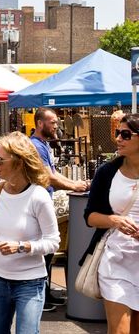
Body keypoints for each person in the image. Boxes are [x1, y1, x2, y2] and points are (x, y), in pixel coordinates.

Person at [0, 132, 59, 334]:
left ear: (19, 162)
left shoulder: (38, 196)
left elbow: (53, 242)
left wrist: (22, 246)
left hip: (30, 283)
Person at [82, 113, 139, 333]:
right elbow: (90, 216)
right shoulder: (107, 172)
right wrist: (113, 220)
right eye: (117, 133)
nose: (118, 139)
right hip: (116, 259)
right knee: (120, 331)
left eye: (126, 134)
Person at [29, 107, 88, 312]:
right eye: (52, 122)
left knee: (47, 252)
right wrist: (74, 186)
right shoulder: (36, 145)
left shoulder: (44, 144)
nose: (57, 126)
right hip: (37, 206)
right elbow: (48, 177)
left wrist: (75, 183)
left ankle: (45, 294)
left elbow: (54, 173)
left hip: (44, 203)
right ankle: (40, 298)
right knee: (43, 252)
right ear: (39, 123)